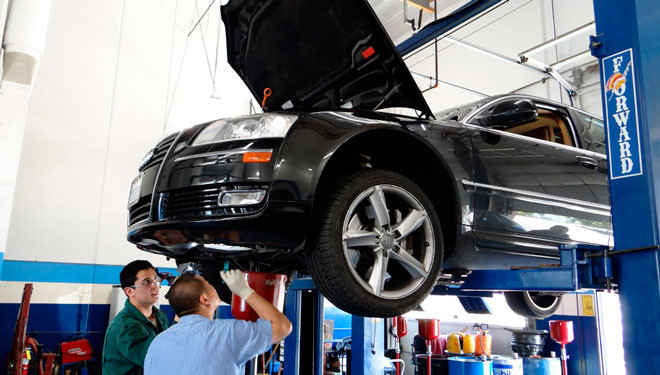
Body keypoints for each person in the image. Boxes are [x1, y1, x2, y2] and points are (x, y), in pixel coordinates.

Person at [144, 270, 292, 375]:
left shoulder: (157, 343)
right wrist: (244, 291)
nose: (214, 286)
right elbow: (282, 327)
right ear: (205, 299)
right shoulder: (226, 333)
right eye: (209, 284)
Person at [102, 260, 170, 375]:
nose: (155, 286)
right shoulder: (125, 327)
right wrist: (181, 317)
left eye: (156, 279)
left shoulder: (160, 316)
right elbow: (157, 359)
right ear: (129, 291)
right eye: (147, 282)